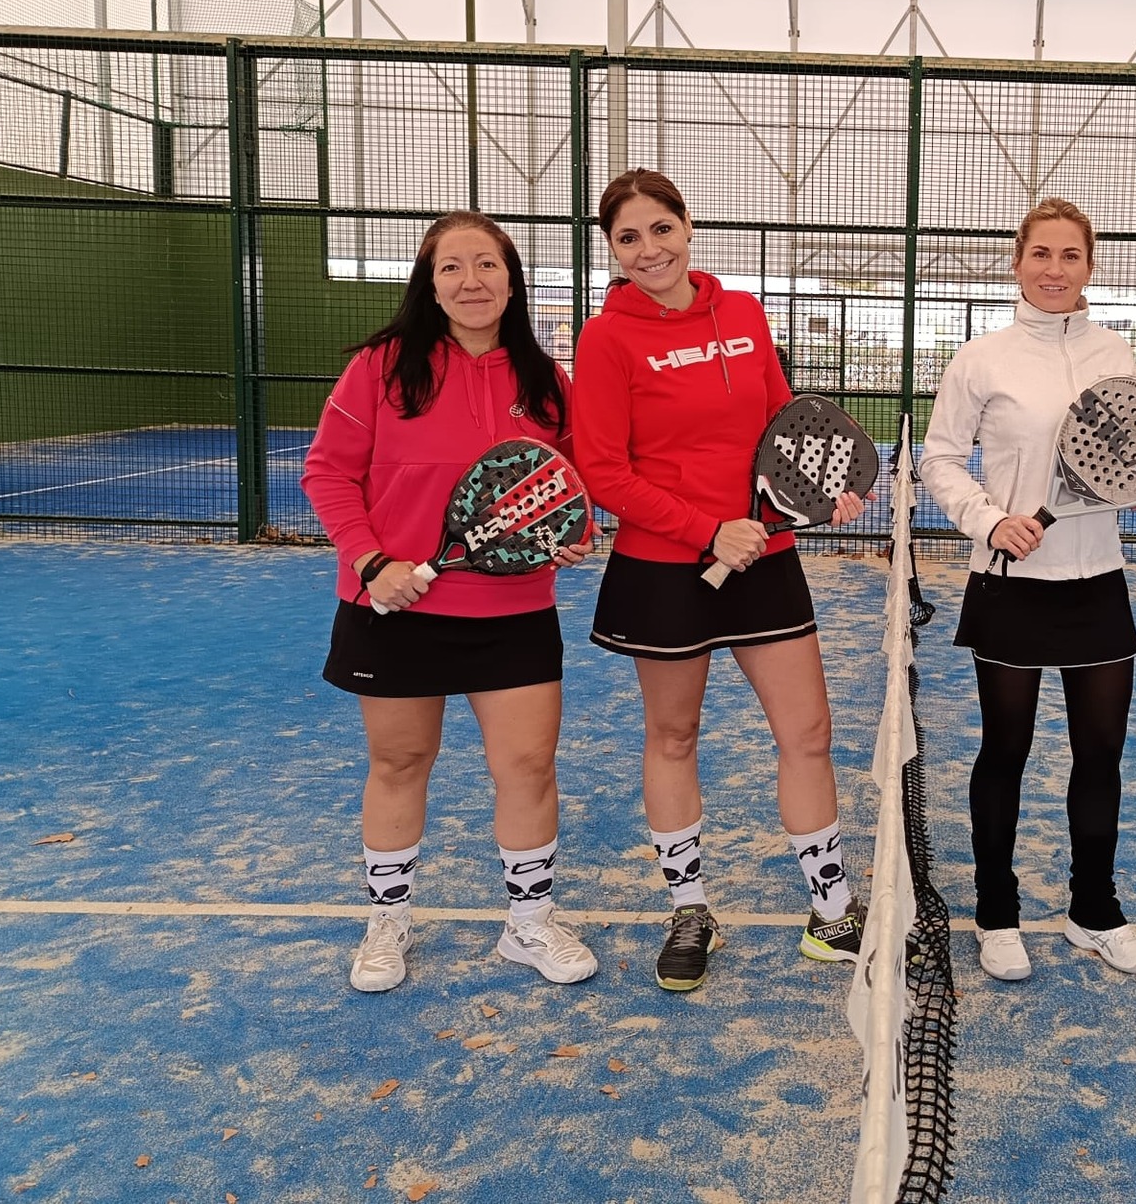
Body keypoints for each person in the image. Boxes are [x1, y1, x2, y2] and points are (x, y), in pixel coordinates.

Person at [571, 167, 868, 993]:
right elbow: (603, 469)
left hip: (765, 558)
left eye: (660, 229)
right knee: (674, 736)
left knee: (808, 732)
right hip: (664, 569)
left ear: (688, 226)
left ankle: (832, 913)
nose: (648, 250)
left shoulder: (741, 313)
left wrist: (824, 487)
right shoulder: (605, 339)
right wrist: (706, 530)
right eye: (628, 238)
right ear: (612, 249)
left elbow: (785, 424)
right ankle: (691, 911)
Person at [302, 210, 599, 994]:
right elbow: (327, 472)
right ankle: (387, 922)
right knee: (400, 762)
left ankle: (529, 924)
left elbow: (571, 485)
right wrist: (372, 563)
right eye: (452, 268)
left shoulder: (546, 380)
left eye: (487, 265)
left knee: (527, 765)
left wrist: (575, 533)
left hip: (513, 613)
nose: (472, 281)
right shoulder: (380, 368)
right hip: (394, 608)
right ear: (429, 286)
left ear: (512, 279)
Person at [920, 198, 1136, 983]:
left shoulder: (1115, 351)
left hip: (1098, 581)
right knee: (1006, 750)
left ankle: (1095, 911)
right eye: (1041, 253)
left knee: (1101, 754)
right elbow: (938, 459)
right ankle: (997, 913)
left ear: (1089, 266)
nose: (1055, 270)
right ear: (1017, 260)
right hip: (1010, 585)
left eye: (1070, 256)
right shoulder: (981, 359)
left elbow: (1125, 452)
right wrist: (989, 520)